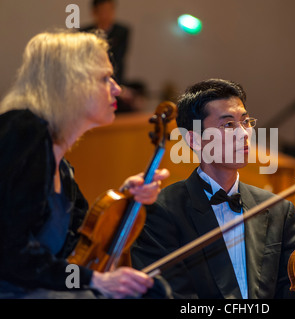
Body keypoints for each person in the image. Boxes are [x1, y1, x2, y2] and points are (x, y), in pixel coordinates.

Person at [131, 78, 295, 299]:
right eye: (228, 124)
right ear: (194, 140)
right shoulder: (160, 211)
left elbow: (289, 295)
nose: (244, 133)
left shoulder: (279, 210)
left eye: (245, 122)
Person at [0, 31, 170, 299]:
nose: (118, 88)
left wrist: (126, 197)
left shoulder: (63, 168)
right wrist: (96, 281)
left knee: (152, 291)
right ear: (70, 82)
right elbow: (8, 251)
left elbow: (80, 248)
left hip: (38, 289)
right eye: (105, 78)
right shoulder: (22, 130)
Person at [80, 0, 129, 85]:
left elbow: (118, 57)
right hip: (91, 78)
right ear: (94, 12)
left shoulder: (122, 32)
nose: (106, 14)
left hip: (115, 77)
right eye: (103, 10)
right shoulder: (85, 33)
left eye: (109, 10)